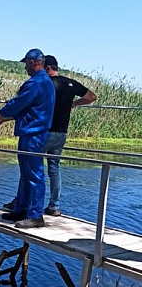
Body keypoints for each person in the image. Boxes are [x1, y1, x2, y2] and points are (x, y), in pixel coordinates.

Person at [0, 48, 55, 229]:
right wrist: (4, 118)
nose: (25, 68)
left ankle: (35, 215)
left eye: (25, 64)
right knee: (26, 174)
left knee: (34, 174)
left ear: (32, 62)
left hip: (33, 133)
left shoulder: (35, 83)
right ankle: (21, 209)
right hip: (31, 131)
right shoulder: (46, 82)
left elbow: (17, 103)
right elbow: (28, 109)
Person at [43, 55, 97, 216]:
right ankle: (54, 206)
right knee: (54, 169)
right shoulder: (70, 83)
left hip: (45, 132)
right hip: (62, 133)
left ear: (47, 68)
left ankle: (23, 202)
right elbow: (91, 97)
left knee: (30, 165)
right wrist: (74, 103)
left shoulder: (47, 84)